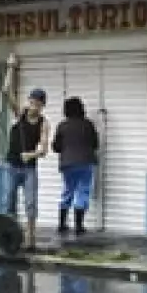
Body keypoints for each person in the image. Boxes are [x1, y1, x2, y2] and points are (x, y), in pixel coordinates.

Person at [2, 76, 50, 248]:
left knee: (30, 203)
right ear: (29, 101)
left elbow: (44, 150)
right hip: (12, 166)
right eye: (33, 101)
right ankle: (12, 235)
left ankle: (31, 238)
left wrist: (31, 155)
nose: (34, 106)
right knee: (10, 201)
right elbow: (6, 89)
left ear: (42, 106)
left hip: (29, 168)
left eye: (38, 104)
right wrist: (10, 67)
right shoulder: (19, 114)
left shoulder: (44, 123)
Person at [51, 96, 99, 236]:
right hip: (85, 162)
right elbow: (95, 144)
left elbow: (56, 147)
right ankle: (79, 226)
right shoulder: (88, 124)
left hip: (68, 163)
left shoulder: (62, 125)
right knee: (83, 191)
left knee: (68, 190)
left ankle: (62, 224)